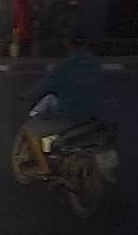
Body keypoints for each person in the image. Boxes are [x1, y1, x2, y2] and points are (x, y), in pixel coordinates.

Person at [21, 30, 102, 172]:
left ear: (68, 44)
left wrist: (27, 95)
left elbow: (45, 86)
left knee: (30, 130)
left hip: (71, 115)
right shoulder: (96, 63)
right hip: (93, 114)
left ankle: (44, 169)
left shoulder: (66, 65)